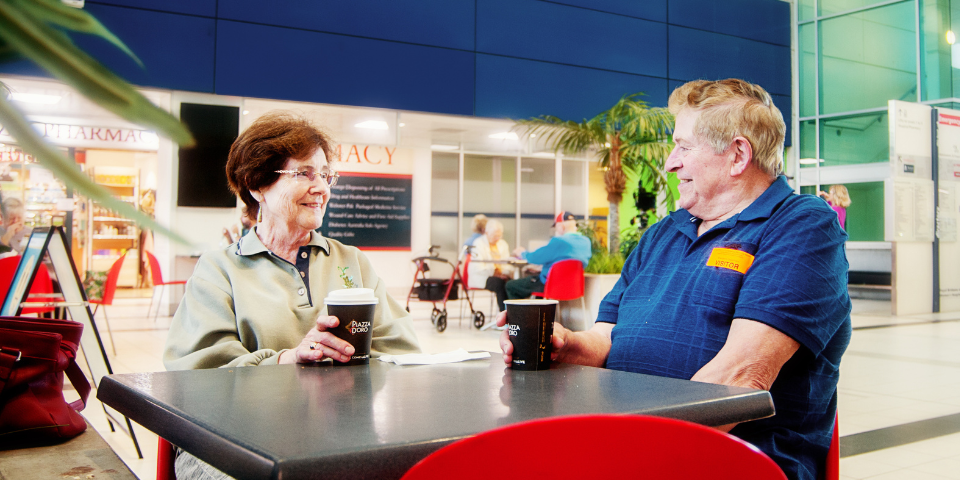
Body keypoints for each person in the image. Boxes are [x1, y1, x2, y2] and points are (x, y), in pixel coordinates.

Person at [497, 79, 850, 480]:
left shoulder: (801, 226)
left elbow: (740, 378)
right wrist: (565, 344)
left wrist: (630, 458)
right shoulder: (665, 232)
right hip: (634, 446)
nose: (669, 162)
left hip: (733, 462)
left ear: (737, 155)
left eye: (683, 147)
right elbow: (607, 337)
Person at [164, 112, 422, 478]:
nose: (322, 188)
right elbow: (198, 381)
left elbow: (403, 353)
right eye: (304, 173)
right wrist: (287, 361)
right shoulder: (219, 269)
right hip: (232, 439)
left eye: (326, 174)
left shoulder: (352, 262)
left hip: (338, 433)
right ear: (256, 185)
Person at [504, 211, 591, 301]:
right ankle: (538, 313)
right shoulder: (586, 242)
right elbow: (577, 263)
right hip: (573, 287)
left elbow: (535, 257)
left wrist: (522, 253)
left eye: (556, 227)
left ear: (561, 227)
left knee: (511, 286)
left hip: (551, 285)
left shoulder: (559, 241)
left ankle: (519, 315)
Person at [467, 219, 514, 312]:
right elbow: (477, 267)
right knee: (499, 284)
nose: (497, 238)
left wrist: (504, 272)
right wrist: (495, 270)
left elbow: (507, 264)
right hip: (482, 277)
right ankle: (503, 313)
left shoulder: (503, 244)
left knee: (512, 284)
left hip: (501, 275)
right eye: (494, 236)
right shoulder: (478, 243)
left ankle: (514, 313)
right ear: (487, 233)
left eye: (499, 235)